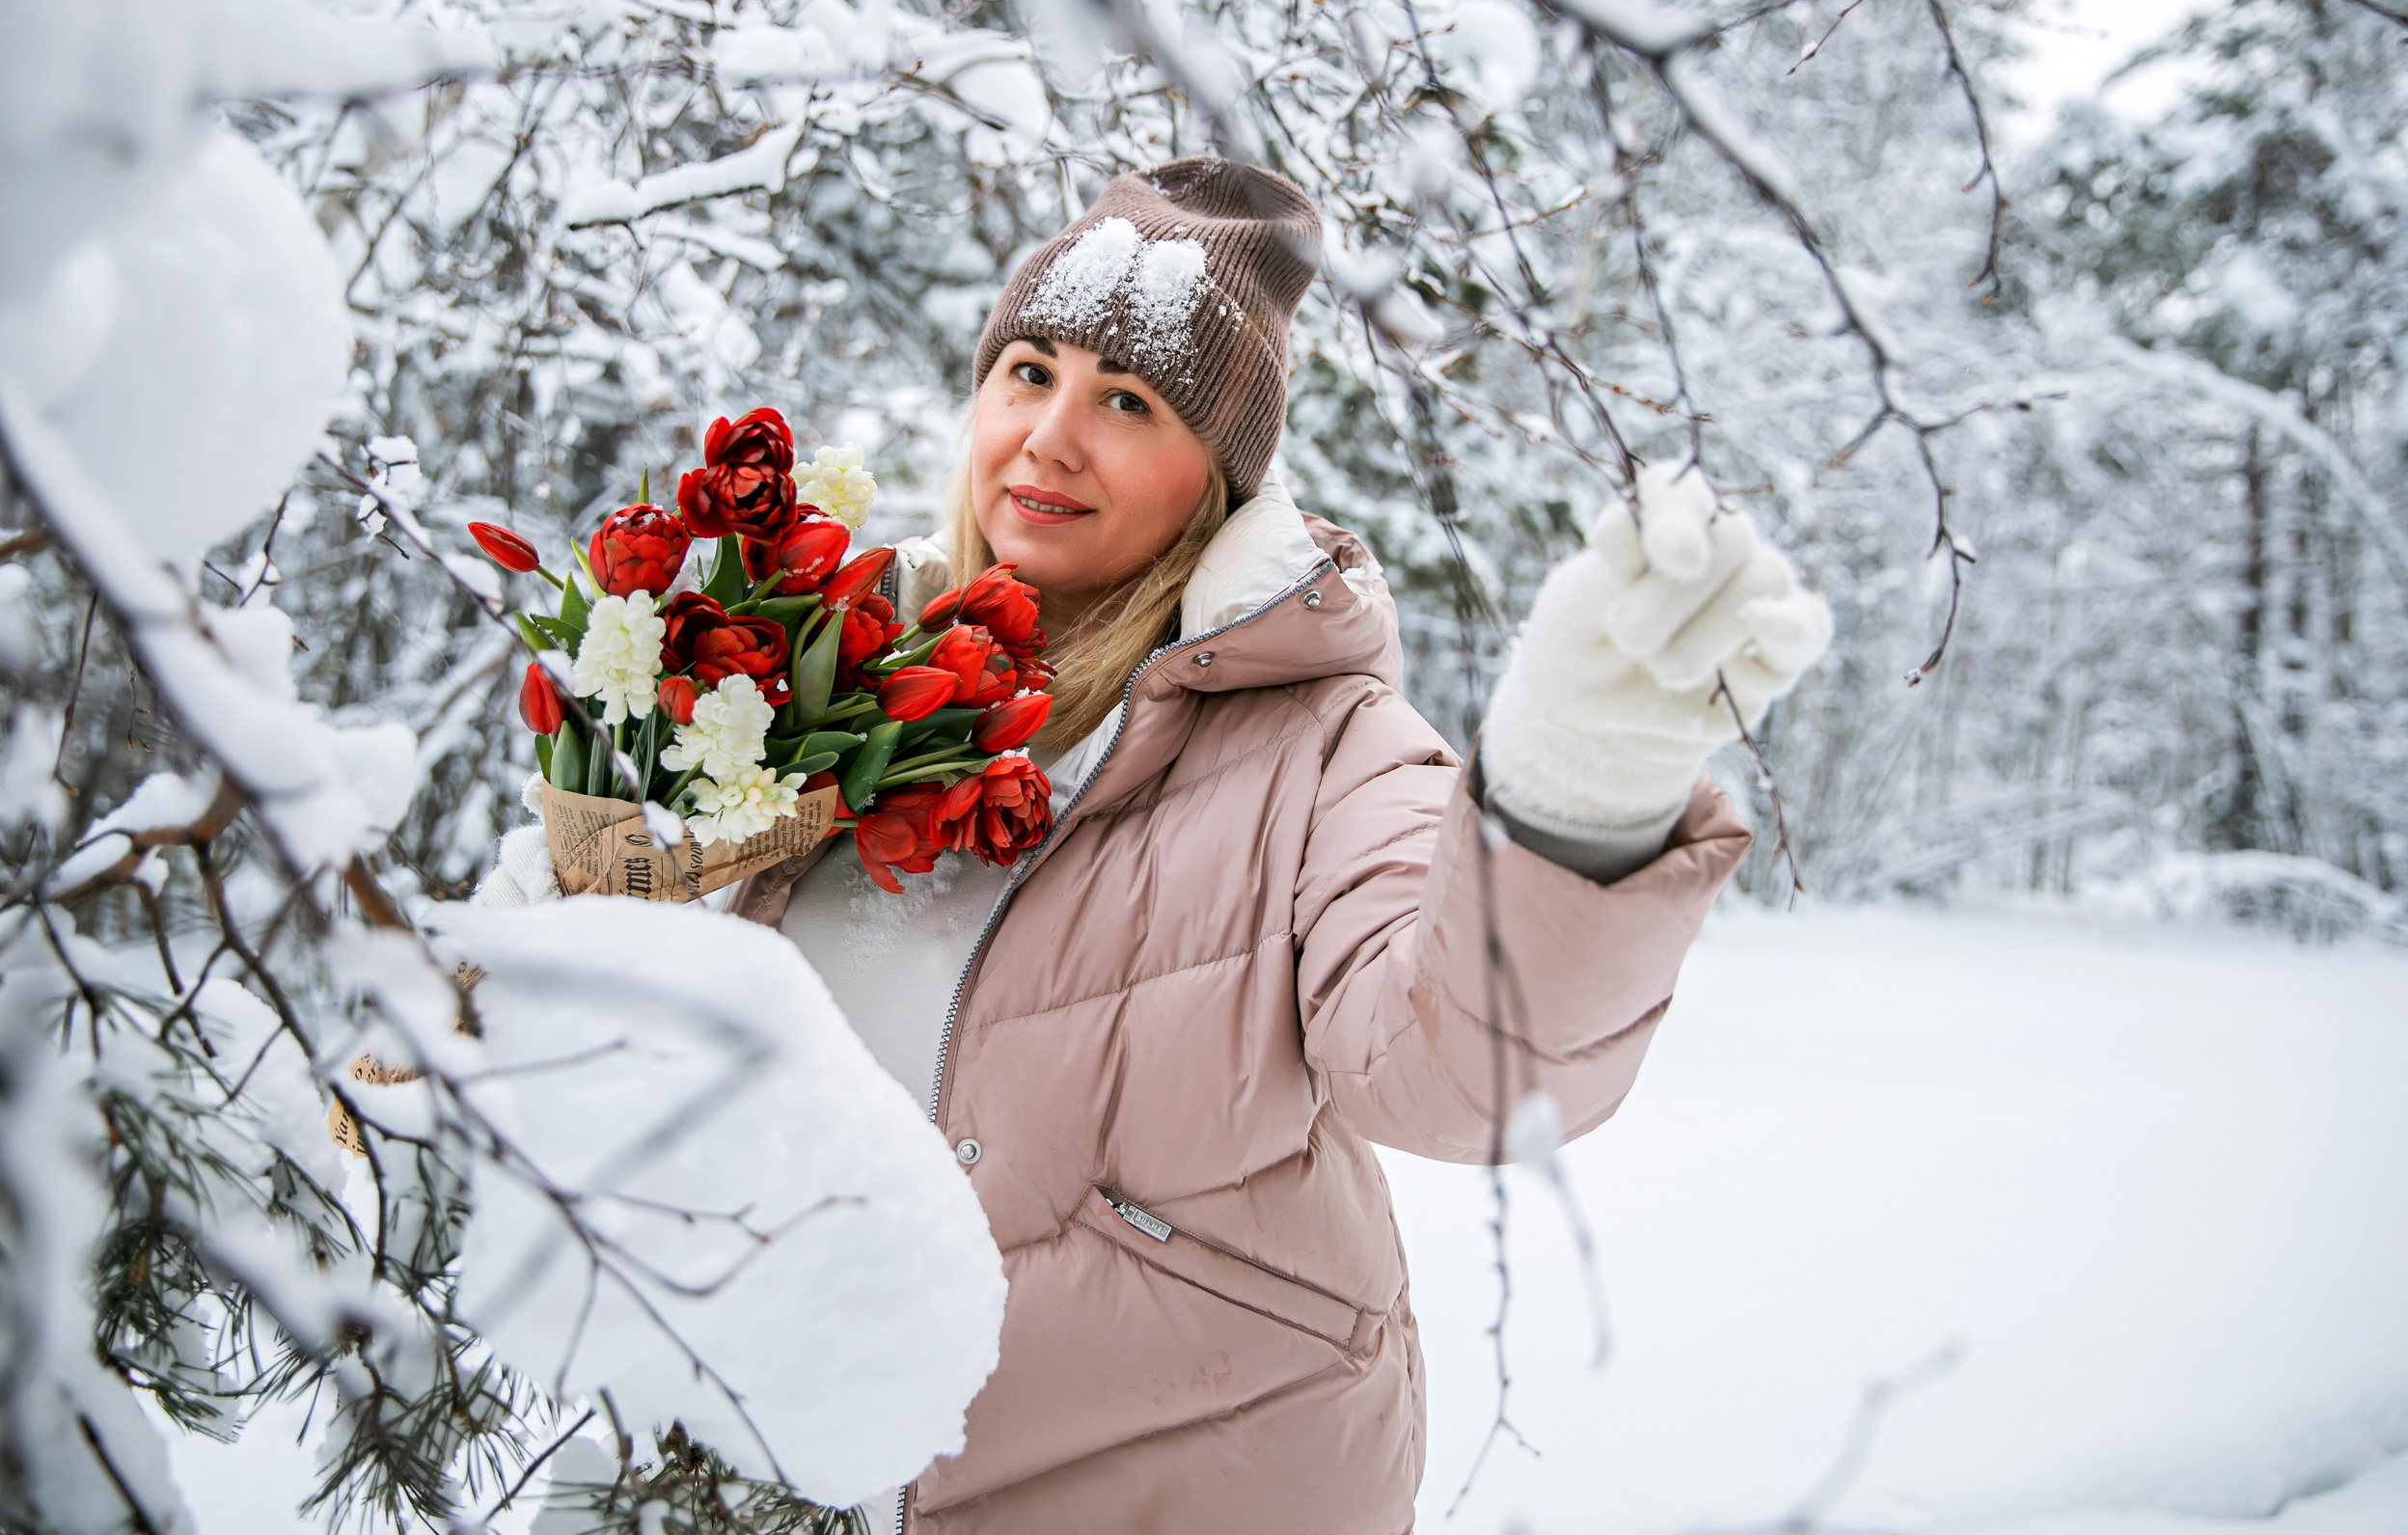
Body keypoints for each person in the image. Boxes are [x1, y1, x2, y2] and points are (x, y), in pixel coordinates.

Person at [482, 157, 1831, 1532]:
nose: (1050, 440)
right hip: (721, 1464)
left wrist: (1578, 787)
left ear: (1220, 479)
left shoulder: (1320, 746)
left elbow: (1462, 1065)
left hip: (1158, 1476)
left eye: (1128, 401)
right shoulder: (804, 669)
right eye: (1027, 371)